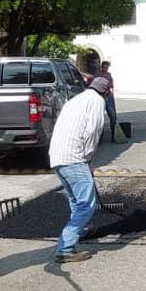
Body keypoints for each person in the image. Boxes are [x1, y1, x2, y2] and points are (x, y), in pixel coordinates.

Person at [48, 76, 112, 264]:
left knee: (75, 199)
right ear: (106, 92)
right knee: (86, 205)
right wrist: (87, 158)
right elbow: (92, 131)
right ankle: (65, 249)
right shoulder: (97, 102)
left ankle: (81, 231)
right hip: (74, 158)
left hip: (57, 157)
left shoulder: (76, 100)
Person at [95, 60, 117, 137]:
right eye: (104, 67)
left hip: (108, 95)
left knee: (113, 115)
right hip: (100, 96)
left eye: (107, 67)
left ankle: (114, 132)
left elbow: (111, 85)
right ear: (102, 67)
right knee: (99, 115)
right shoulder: (98, 74)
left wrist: (110, 91)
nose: (105, 68)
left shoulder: (109, 75)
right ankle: (99, 134)